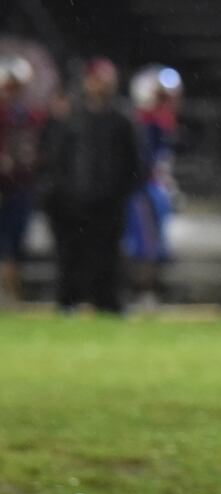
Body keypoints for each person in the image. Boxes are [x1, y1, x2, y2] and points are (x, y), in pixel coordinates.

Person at [38, 57, 145, 315]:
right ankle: (69, 301)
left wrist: (119, 192)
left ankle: (106, 302)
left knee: (106, 256)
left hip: (107, 203)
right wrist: (59, 192)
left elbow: (135, 162)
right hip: (69, 202)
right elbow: (53, 157)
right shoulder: (70, 117)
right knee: (70, 256)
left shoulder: (121, 119)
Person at [124, 64, 182, 310]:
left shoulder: (158, 121)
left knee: (151, 244)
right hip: (144, 188)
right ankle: (141, 292)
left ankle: (145, 291)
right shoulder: (147, 121)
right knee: (145, 244)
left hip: (155, 187)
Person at [0, 53, 41, 303]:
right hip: (4, 185)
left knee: (15, 240)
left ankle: (11, 290)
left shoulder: (29, 115)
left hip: (20, 184)